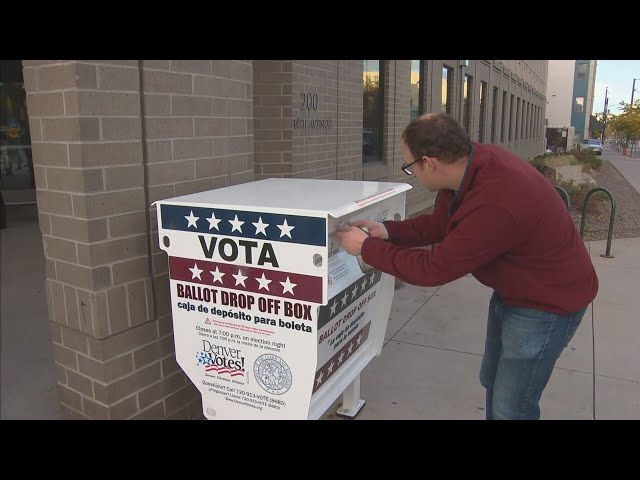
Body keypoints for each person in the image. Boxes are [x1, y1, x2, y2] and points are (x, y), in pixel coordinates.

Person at [336, 113, 598, 420]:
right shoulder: (470, 167)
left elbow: (434, 269)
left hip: (548, 304)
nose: (413, 174)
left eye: (410, 167)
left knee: (512, 406)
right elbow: (441, 224)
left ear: (430, 162)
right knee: (493, 382)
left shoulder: (495, 201)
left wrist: (367, 248)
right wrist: (389, 232)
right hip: (516, 291)